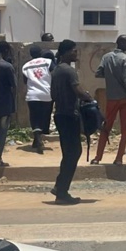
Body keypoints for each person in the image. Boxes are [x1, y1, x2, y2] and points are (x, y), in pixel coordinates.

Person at [50, 39, 94, 205]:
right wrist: (88, 97)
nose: (76, 54)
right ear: (66, 52)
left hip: (60, 115)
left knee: (69, 153)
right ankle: (62, 191)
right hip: (69, 116)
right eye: (74, 51)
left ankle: (59, 187)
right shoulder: (69, 71)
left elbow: (53, 95)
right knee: (73, 153)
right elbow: (78, 91)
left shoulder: (55, 71)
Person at [92, 35, 126, 166]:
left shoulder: (106, 57)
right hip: (124, 98)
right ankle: (118, 158)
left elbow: (98, 73)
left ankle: (97, 157)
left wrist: (110, 75)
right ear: (123, 44)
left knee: (106, 127)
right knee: (124, 130)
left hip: (111, 98)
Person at [22, 45, 55, 154]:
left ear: (31, 54)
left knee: (34, 118)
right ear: (40, 52)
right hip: (46, 94)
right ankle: (38, 140)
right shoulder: (48, 62)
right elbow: (54, 74)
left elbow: (25, 81)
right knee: (43, 118)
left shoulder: (26, 66)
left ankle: (37, 139)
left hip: (32, 95)